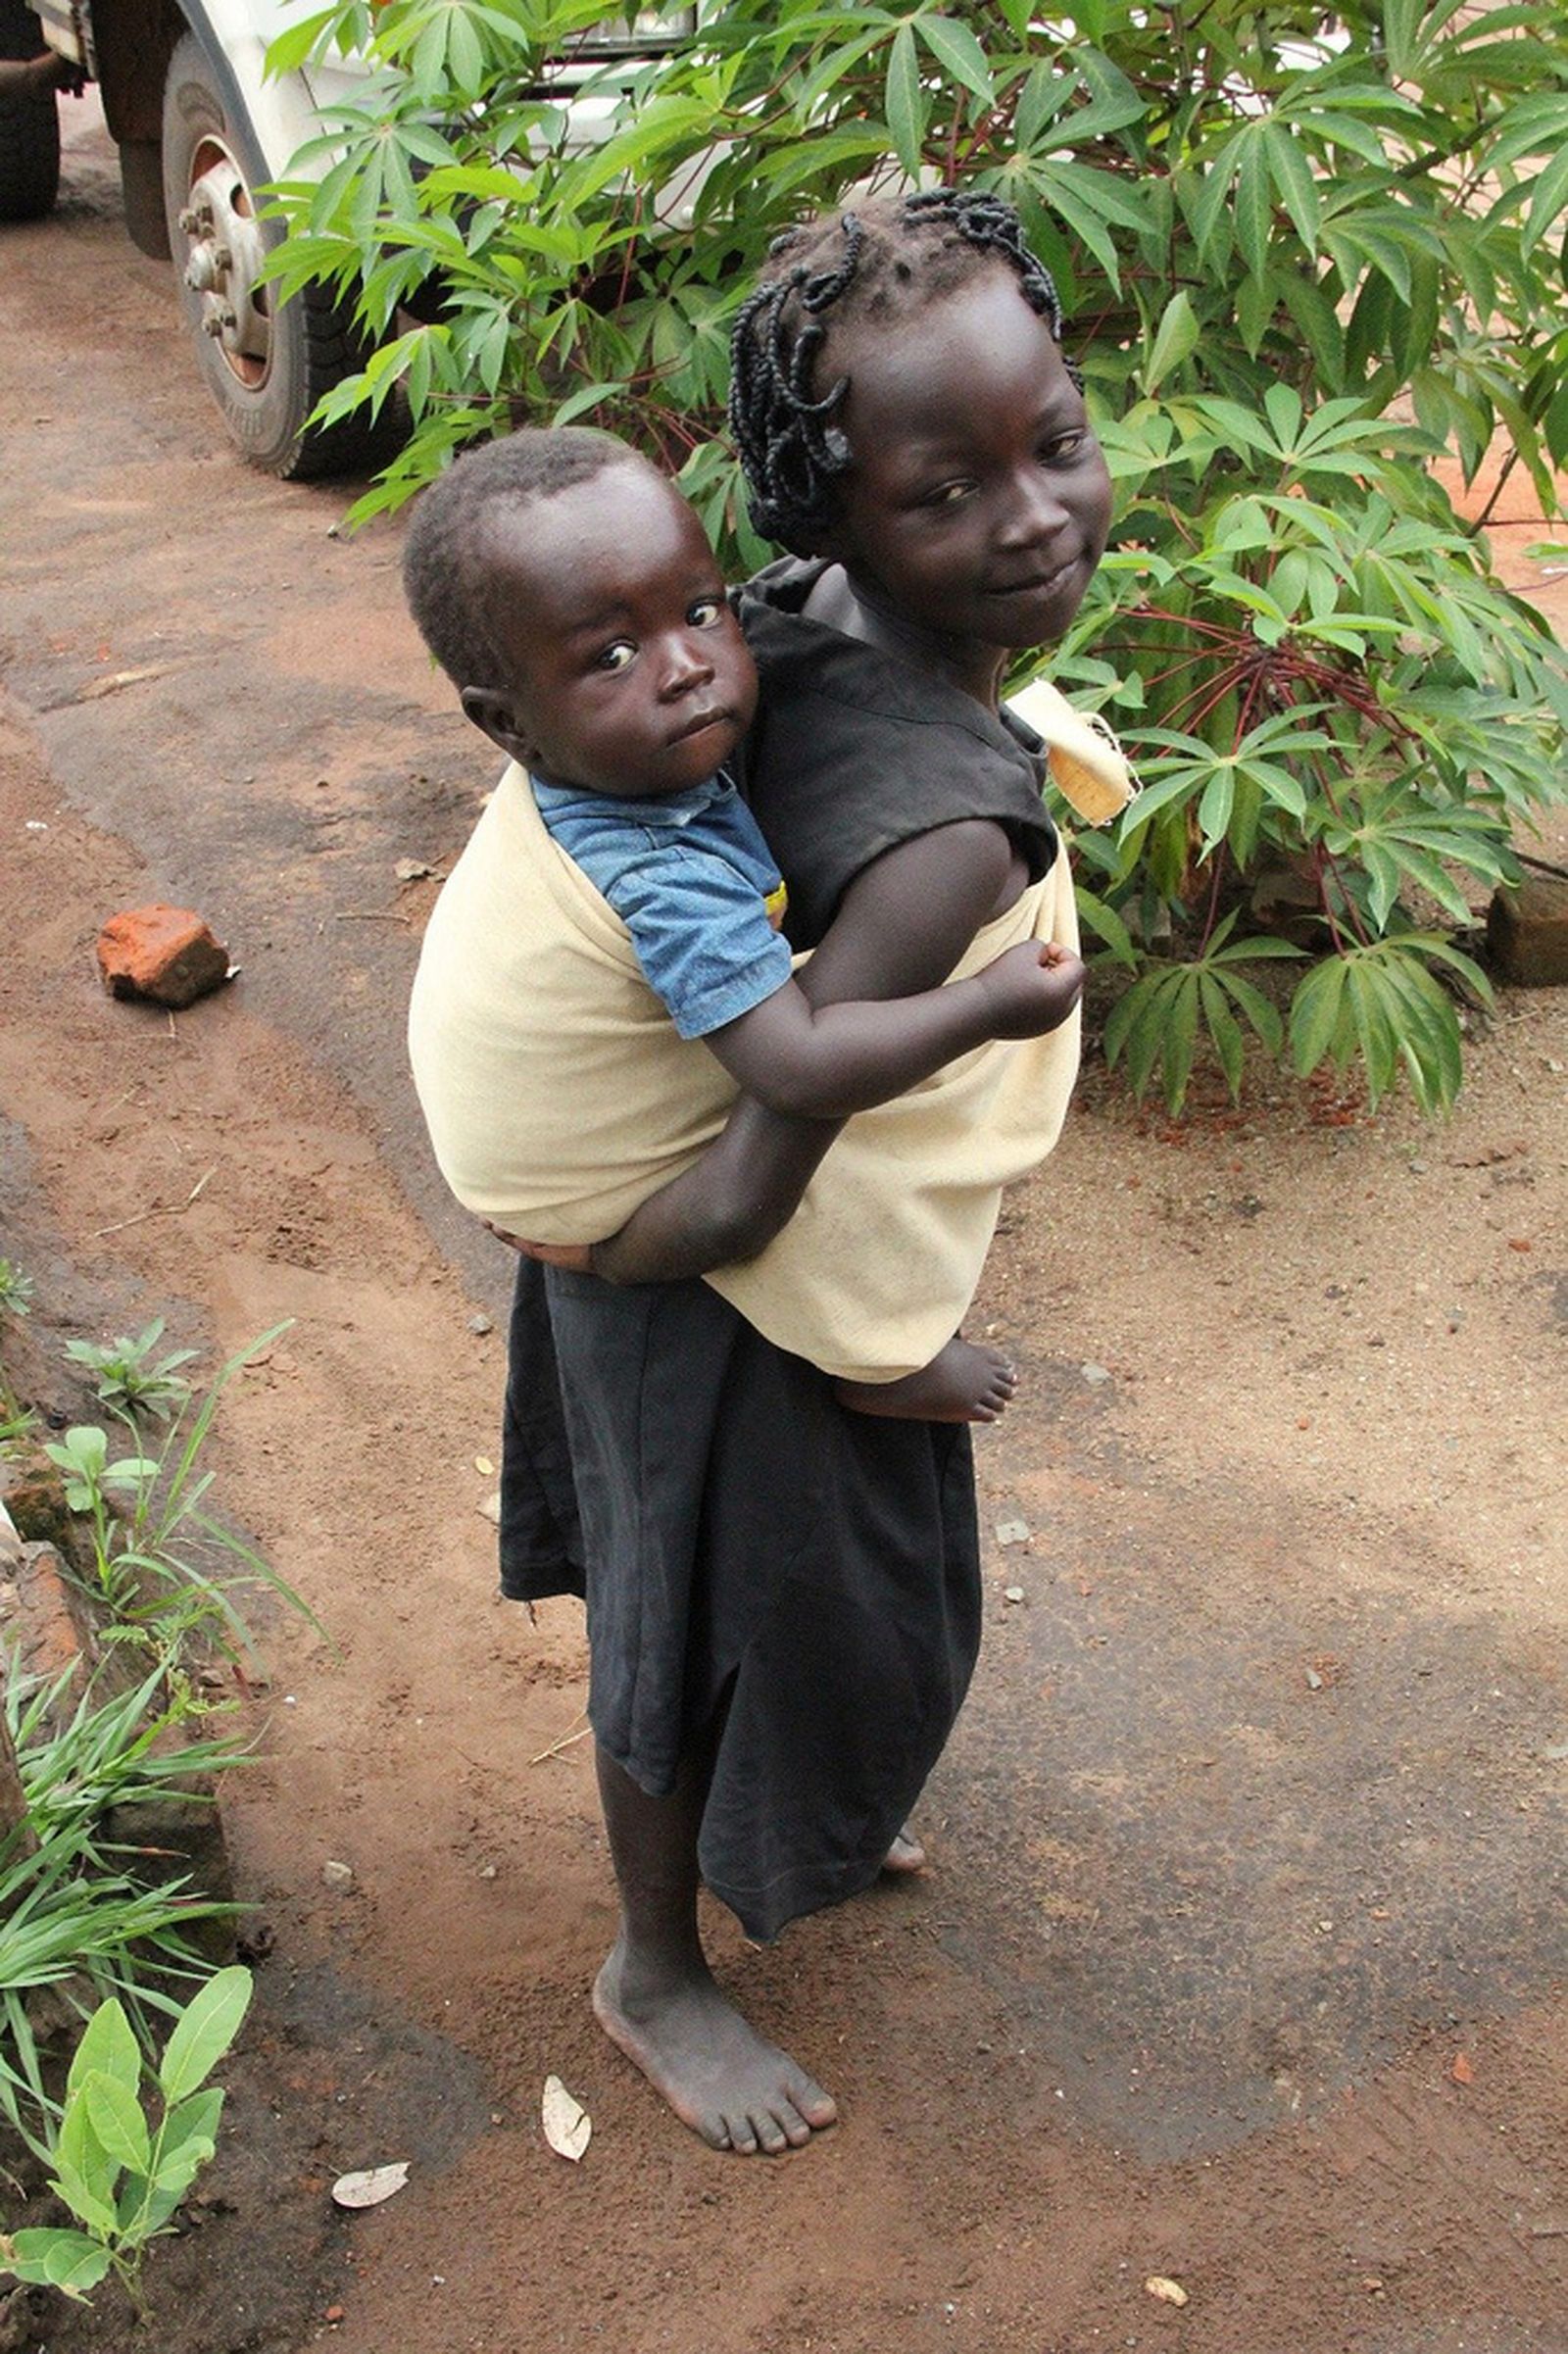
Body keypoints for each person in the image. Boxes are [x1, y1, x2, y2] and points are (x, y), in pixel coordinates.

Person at [491, 188, 1119, 2156]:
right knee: (693, 1615)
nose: (1028, 518)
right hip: (703, 1271)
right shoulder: (944, 832)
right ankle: (652, 1966)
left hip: (737, 1247)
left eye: (1055, 445)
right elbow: (783, 1128)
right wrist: (798, 1312)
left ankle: (814, 1809)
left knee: (816, 1595)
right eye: (949, 492)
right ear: (833, 518)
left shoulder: (787, 631)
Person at [404, 427, 1086, 1425]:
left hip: (505, 1128)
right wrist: (984, 1002)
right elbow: (799, 1068)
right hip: (583, 1195)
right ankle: (874, 1354)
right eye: (615, 654)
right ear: (507, 724)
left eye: (700, 610)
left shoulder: (634, 756)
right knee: (845, 1161)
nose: (686, 668)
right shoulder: (660, 874)